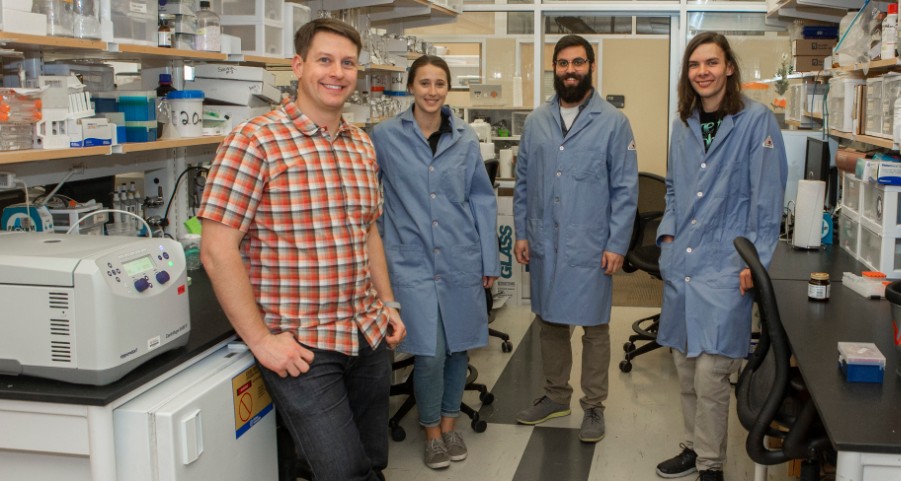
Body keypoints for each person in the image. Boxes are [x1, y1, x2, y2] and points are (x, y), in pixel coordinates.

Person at [197, 18, 405, 481]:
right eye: (325, 60)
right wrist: (261, 339)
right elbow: (216, 249)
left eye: (347, 63)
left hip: (366, 332)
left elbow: (368, 231)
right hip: (304, 344)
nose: (337, 72)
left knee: (372, 460)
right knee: (342, 469)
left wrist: (387, 302)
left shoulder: (361, 146)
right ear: (298, 66)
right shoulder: (254, 142)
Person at [653, 32, 788, 481]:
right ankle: (693, 447)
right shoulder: (684, 123)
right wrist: (668, 236)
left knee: (712, 372)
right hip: (684, 263)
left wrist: (756, 262)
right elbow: (673, 189)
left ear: (729, 67)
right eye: (694, 65)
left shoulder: (756, 122)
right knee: (685, 366)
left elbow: (767, 201)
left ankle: (711, 464)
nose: (703, 72)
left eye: (711, 63)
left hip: (728, 265)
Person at [371, 55, 499, 470]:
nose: (431, 91)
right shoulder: (385, 136)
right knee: (429, 352)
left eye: (439, 83)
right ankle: (430, 430)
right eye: (424, 83)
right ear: (411, 87)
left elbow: (481, 197)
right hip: (409, 260)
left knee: (459, 346)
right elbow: (369, 196)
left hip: (461, 253)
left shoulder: (464, 138)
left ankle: (449, 424)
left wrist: (489, 259)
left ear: (448, 89)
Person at [511, 34, 638, 444]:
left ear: (591, 66)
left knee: (595, 329)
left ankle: (594, 407)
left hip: (591, 243)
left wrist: (618, 243)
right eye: (563, 63)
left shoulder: (613, 122)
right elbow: (524, 182)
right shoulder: (536, 121)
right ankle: (555, 396)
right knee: (550, 323)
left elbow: (625, 189)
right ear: (554, 68)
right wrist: (522, 232)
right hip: (546, 241)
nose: (570, 70)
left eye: (578, 62)